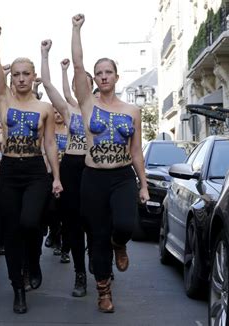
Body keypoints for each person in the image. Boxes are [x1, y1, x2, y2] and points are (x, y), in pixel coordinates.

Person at [71, 13, 149, 313]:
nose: (103, 76)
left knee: (125, 225)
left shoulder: (132, 110)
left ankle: (121, 243)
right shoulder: (88, 104)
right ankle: (103, 289)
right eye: (99, 73)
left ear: (117, 77)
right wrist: (76, 29)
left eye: (108, 72)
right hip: (93, 178)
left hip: (122, 177)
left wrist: (143, 185)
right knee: (97, 235)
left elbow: (137, 150)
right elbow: (78, 66)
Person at [0, 14, 63, 314]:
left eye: (25, 74)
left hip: (34, 172)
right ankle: (18, 287)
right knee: (11, 230)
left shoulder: (44, 107)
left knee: (30, 222)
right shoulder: (5, 102)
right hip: (9, 172)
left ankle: (33, 260)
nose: (19, 79)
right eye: (15, 74)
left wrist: (56, 176)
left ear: (33, 77)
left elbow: (50, 144)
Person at [41, 39, 94, 298]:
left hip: (96, 168)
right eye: (76, 84)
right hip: (72, 165)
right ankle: (80, 274)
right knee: (73, 223)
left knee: (96, 220)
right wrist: (46, 55)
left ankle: (99, 257)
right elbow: (50, 86)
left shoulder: (103, 110)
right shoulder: (70, 111)